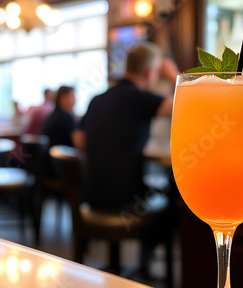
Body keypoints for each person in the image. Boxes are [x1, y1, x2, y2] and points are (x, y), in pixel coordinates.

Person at [76, 42, 179, 208]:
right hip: (125, 198)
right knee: (171, 199)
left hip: (92, 195)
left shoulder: (96, 99)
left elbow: (78, 139)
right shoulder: (140, 98)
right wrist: (173, 74)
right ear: (148, 73)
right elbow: (186, 105)